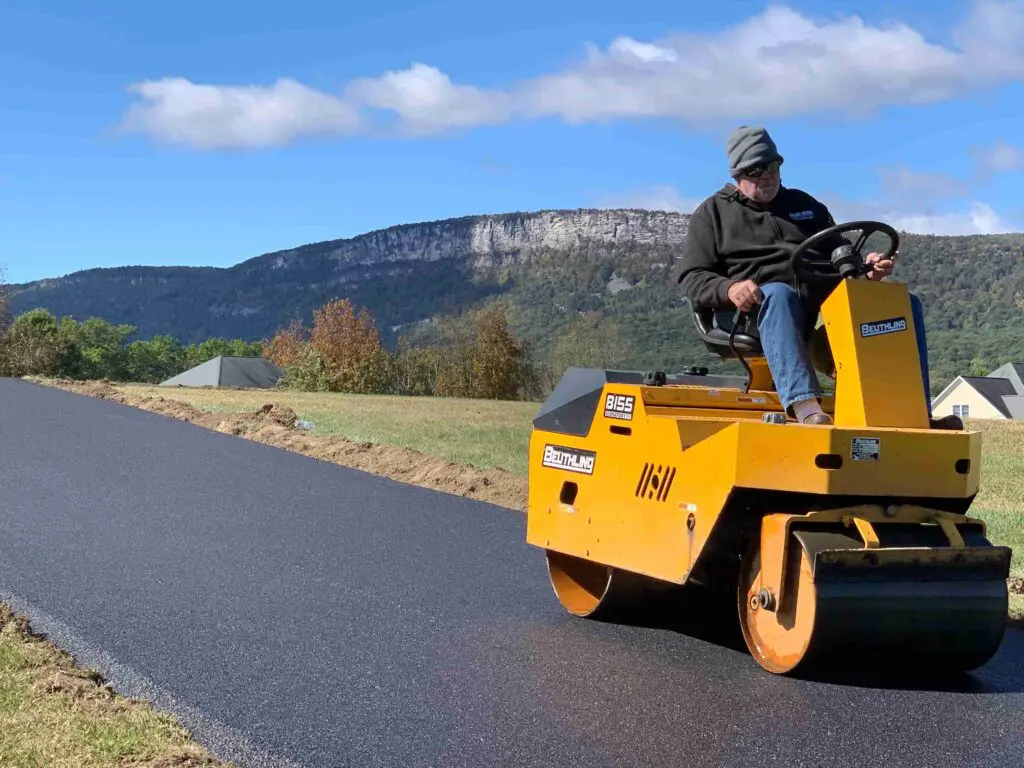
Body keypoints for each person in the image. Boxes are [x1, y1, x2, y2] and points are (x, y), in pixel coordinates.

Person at [676, 124, 961, 429]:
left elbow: (841, 256)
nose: (768, 175)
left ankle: (914, 412)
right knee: (778, 294)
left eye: (773, 166)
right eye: (757, 171)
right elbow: (691, 277)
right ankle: (805, 405)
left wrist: (867, 269)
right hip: (755, 314)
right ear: (738, 176)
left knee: (900, 304)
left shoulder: (806, 206)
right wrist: (729, 288)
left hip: (815, 315)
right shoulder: (713, 214)